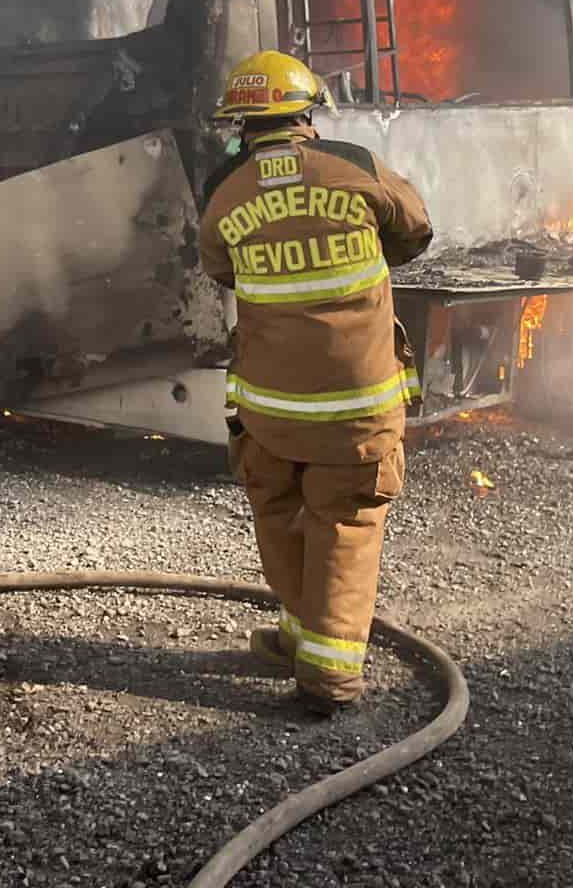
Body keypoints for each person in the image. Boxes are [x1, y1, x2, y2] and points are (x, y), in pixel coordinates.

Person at [197, 50, 434, 714]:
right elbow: (415, 231)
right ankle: (329, 674)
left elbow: (219, 267)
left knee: (278, 511)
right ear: (306, 117)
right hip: (356, 410)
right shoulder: (352, 166)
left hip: (270, 410)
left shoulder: (225, 188)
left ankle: (301, 632)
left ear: (241, 125)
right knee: (345, 521)